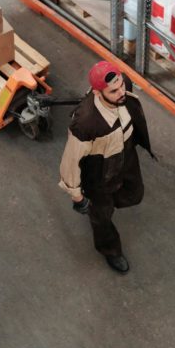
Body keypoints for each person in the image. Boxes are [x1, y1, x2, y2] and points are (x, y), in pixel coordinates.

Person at [59, 61, 153, 274]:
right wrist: (77, 196)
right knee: (101, 216)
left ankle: (106, 205)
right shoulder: (85, 123)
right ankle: (110, 249)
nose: (122, 92)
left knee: (135, 194)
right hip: (99, 173)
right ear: (97, 92)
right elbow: (70, 161)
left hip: (126, 157)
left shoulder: (123, 88)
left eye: (121, 84)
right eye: (114, 90)